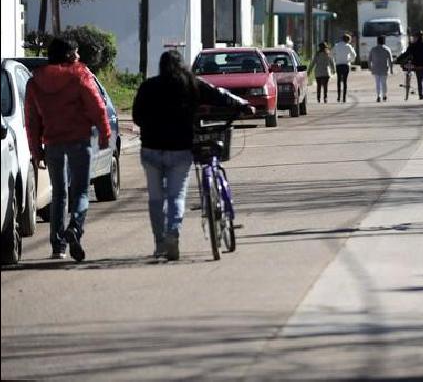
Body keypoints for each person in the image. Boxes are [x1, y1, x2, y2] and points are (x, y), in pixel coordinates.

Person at [133, 51, 254, 260]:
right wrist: (243, 105)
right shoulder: (191, 84)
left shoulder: (148, 86)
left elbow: (136, 116)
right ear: (183, 65)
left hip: (151, 149)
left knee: (155, 199)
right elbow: (220, 95)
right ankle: (173, 233)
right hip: (180, 149)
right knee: (176, 196)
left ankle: (160, 243)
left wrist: (152, 127)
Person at [25, 36, 111, 262]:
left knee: (59, 194)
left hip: (52, 144)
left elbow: (31, 120)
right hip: (79, 141)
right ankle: (75, 227)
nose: (79, 56)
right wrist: (105, 134)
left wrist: (36, 150)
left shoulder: (35, 82)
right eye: (76, 52)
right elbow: (97, 106)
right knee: (81, 191)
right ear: (70, 54)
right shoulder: (79, 75)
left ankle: (58, 246)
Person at [397, 30, 423, 99]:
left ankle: (421, 95)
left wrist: (398, 59)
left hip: (417, 66)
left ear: (417, 37)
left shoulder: (413, 46)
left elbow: (406, 54)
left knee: (419, 80)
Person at [332, 33, 357, 103]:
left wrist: (335, 59)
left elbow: (331, 54)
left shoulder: (336, 45)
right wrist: (350, 60)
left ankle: (338, 97)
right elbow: (354, 55)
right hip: (346, 65)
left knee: (339, 81)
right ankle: (344, 98)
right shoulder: (348, 46)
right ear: (348, 40)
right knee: (345, 82)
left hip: (338, 65)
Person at [369, 35, 394, 102]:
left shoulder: (373, 49)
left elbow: (369, 59)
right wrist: (391, 69)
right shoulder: (387, 49)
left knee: (377, 82)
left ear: (377, 41)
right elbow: (390, 60)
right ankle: (384, 95)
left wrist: (370, 67)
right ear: (384, 41)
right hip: (384, 68)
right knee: (384, 82)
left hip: (376, 68)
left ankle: (378, 95)